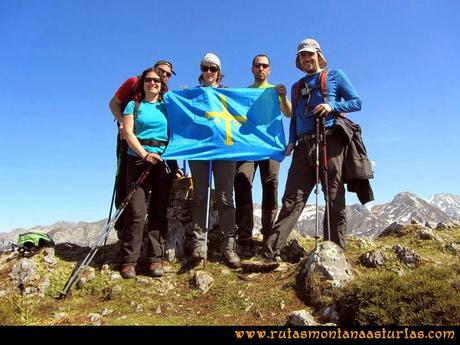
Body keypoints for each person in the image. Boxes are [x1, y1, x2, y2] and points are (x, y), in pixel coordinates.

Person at [262, 38, 363, 259]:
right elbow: (295, 119)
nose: (306, 58)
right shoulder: (297, 86)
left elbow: (357, 102)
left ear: (319, 55)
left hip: (330, 141)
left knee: (334, 195)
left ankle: (335, 251)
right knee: (292, 198)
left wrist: (332, 105)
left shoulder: (335, 76)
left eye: (310, 54)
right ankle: (271, 251)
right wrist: (291, 141)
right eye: (302, 55)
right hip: (303, 145)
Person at [119, 68, 175, 279]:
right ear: (142, 84)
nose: (153, 83)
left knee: (159, 210)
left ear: (162, 85)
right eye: (149, 80)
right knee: (136, 211)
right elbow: (128, 132)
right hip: (137, 160)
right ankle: (128, 261)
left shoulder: (168, 107)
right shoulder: (133, 106)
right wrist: (144, 154)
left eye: (157, 81)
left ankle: (154, 259)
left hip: (164, 161)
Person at [109, 60, 176, 231]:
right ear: (153, 70)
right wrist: (123, 122)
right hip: (129, 142)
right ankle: (123, 227)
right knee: (125, 182)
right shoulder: (133, 82)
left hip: (157, 149)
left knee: (157, 198)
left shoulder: (165, 95)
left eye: (168, 74)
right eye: (162, 71)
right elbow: (113, 103)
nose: (164, 76)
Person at [188, 53, 241, 268]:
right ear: (201, 70)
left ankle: (228, 246)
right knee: (200, 195)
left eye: (213, 68)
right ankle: (199, 245)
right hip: (199, 150)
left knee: (225, 197)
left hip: (225, 151)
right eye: (205, 67)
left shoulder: (229, 95)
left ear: (219, 72)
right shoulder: (192, 96)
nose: (209, 72)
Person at [234, 54, 292, 245]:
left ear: (269, 69)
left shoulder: (276, 91)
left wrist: (283, 97)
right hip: (247, 147)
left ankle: (268, 231)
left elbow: (288, 113)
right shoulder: (244, 92)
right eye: (257, 65)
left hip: (270, 146)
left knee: (270, 185)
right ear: (252, 69)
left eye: (264, 65)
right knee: (241, 180)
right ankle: (244, 232)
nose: (261, 68)